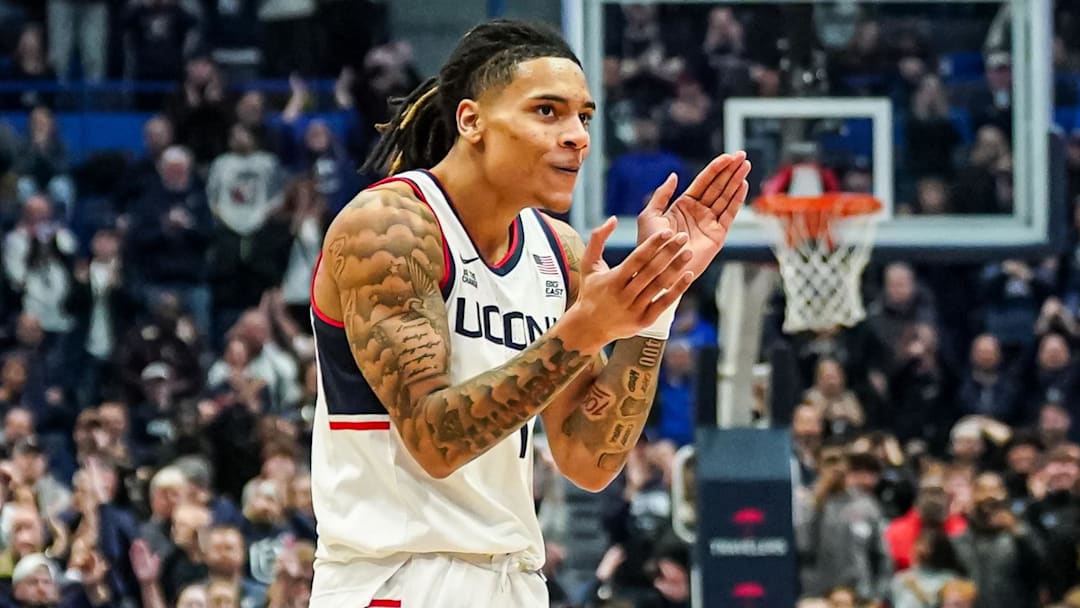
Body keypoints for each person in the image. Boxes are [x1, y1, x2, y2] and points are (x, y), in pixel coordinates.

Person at [307, 19, 750, 608]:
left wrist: (653, 306)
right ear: (472, 121)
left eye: (584, 117)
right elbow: (435, 441)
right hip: (397, 578)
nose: (577, 137)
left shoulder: (559, 251)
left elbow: (588, 460)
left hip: (514, 579)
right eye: (548, 111)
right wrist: (583, 331)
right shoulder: (389, 228)